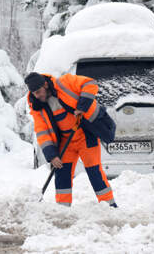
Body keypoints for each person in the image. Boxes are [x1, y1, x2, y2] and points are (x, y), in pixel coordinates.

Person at [25, 71, 117, 208]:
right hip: (65, 142)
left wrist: (82, 107)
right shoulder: (37, 107)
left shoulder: (64, 83)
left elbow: (90, 83)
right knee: (62, 174)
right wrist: (52, 156)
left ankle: (110, 205)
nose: (38, 96)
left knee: (94, 172)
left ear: (45, 85)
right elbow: (42, 133)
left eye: (39, 91)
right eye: (35, 94)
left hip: (85, 136)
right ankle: (63, 209)